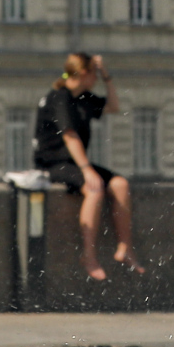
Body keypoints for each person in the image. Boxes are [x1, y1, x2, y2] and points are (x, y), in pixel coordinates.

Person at [34, 53, 143, 280]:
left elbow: (113, 106)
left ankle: (125, 248)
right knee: (94, 189)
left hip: (75, 161)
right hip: (52, 163)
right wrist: (86, 169)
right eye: (94, 74)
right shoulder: (59, 97)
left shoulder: (83, 97)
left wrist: (107, 77)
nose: (96, 79)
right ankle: (89, 255)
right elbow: (70, 135)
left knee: (121, 185)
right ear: (84, 74)